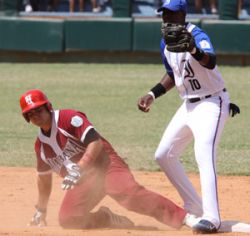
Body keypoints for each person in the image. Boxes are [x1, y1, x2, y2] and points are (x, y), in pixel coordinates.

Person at [19, 89, 199, 230]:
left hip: (107, 165)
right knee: (68, 219)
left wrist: (80, 167)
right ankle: (106, 217)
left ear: (48, 107)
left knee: (129, 194)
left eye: (38, 110)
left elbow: (95, 142)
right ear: (27, 118)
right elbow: (43, 179)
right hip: (86, 182)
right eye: (30, 113)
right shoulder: (41, 146)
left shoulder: (67, 118)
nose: (35, 115)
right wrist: (40, 210)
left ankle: (185, 218)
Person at [137, 0, 239, 234]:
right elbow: (173, 74)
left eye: (171, 15)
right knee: (163, 154)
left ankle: (212, 218)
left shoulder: (197, 34)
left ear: (183, 14)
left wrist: (194, 49)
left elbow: (210, 61)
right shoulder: (165, 42)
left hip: (213, 102)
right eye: (164, 15)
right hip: (189, 105)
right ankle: (194, 204)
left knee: (203, 153)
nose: (167, 20)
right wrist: (153, 94)